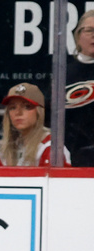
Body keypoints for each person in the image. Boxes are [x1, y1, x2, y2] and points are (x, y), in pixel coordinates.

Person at [0, 82, 70, 167]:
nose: (18, 112)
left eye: (27, 107)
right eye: (12, 107)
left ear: (39, 112)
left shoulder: (51, 148)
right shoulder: (9, 148)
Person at [65, 9, 94, 167]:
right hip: (73, 158)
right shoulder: (64, 73)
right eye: (89, 30)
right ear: (78, 36)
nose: (93, 35)